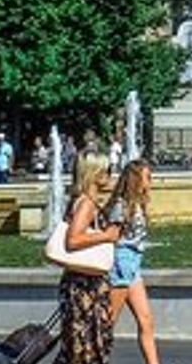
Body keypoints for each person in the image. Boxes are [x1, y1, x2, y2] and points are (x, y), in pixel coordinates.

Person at [59, 156, 120, 364]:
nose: (111, 175)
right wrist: (107, 236)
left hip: (85, 283)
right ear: (95, 173)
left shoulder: (85, 201)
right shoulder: (86, 204)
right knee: (84, 349)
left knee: (83, 347)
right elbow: (73, 240)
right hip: (84, 287)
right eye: (107, 170)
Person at [104, 160, 161, 364]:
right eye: (148, 176)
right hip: (122, 262)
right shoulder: (122, 205)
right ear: (136, 180)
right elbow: (111, 235)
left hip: (133, 264)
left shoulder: (137, 203)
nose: (151, 181)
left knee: (146, 321)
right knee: (107, 323)